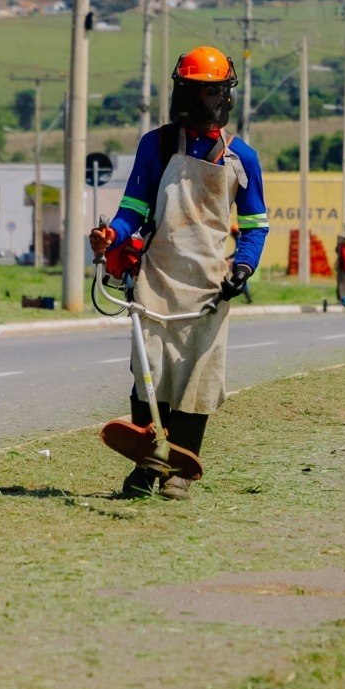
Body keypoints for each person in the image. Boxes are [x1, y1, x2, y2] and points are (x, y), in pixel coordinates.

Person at [89, 46, 268, 501]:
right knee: (149, 372)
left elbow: (255, 226)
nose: (201, 101)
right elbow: (134, 206)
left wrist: (243, 267)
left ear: (223, 97)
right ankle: (147, 468)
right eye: (193, 91)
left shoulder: (242, 158)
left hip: (210, 284)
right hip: (156, 277)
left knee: (196, 378)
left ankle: (180, 472)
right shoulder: (158, 144)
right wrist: (112, 234)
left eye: (207, 93)